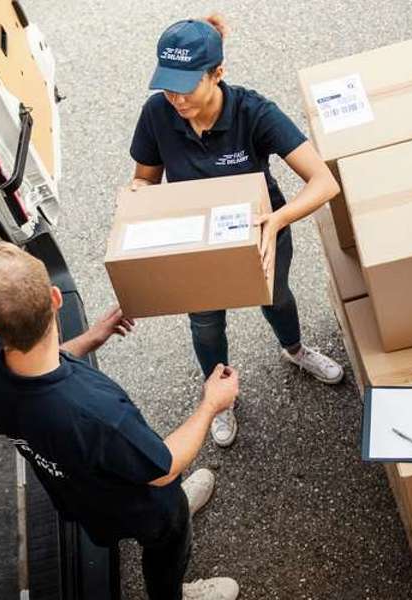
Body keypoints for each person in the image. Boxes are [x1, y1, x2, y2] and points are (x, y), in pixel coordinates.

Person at [0, 242, 240, 600]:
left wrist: (91, 338)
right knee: (169, 539)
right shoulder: (97, 413)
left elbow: (33, 367)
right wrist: (211, 404)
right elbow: (164, 468)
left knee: (133, 516)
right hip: (143, 502)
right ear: (56, 298)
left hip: (78, 494)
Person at [129, 15, 345, 449]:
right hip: (197, 245)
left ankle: (295, 349)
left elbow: (324, 182)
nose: (176, 98)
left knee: (276, 298)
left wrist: (277, 221)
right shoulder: (157, 114)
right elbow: (145, 178)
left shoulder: (253, 112)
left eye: (186, 86)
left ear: (218, 73)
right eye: (167, 86)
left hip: (262, 232)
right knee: (206, 324)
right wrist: (138, 196)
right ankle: (220, 398)